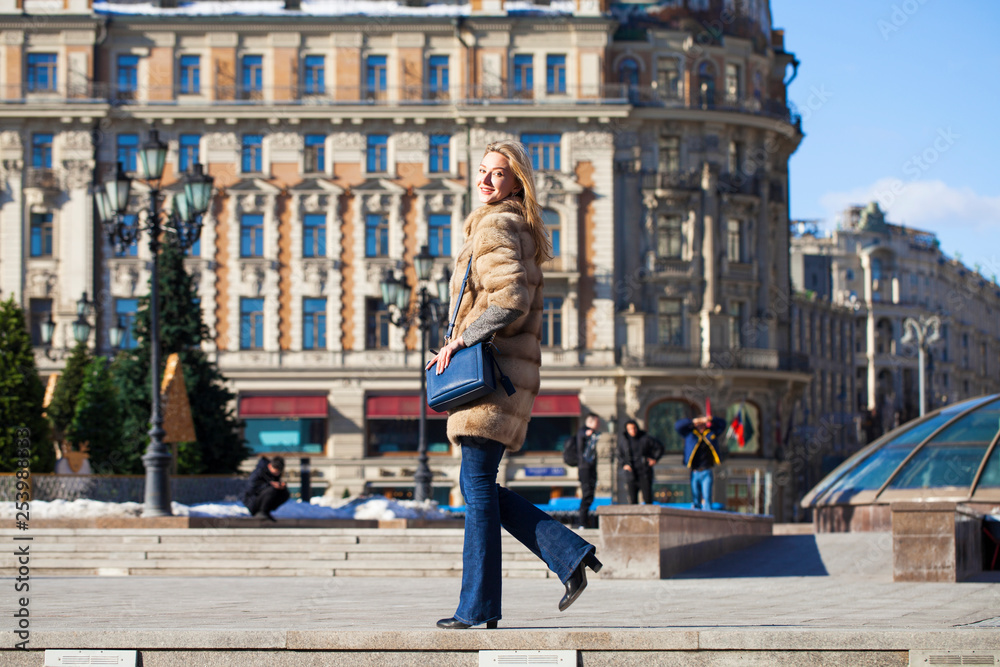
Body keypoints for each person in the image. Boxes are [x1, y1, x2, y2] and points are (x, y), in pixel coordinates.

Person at [427, 140, 602, 630]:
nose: (485, 181)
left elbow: (510, 300)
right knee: (478, 484)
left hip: (490, 375)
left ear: (516, 181)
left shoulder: (498, 225)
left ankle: (479, 606)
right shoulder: (510, 225)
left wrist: (459, 341)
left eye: (497, 174)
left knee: (477, 487)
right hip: (502, 376)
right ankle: (568, 556)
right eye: (482, 171)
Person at [675, 414, 727, 510]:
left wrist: (711, 419)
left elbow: (723, 424)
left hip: (706, 470)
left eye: (702, 424)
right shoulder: (690, 434)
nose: (701, 426)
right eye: (699, 424)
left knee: (707, 497)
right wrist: (693, 421)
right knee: (696, 498)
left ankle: (708, 516)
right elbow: (678, 426)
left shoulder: (711, 433)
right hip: (694, 471)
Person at [616, 419, 664, 504]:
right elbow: (619, 454)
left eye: (634, 428)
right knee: (633, 500)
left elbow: (660, 447)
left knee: (648, 498)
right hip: (631, 473)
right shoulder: (624, 441)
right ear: (627, 430)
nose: (633, 430)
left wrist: (654, 459)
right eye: (630, 429)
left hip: (644, 472)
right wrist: (624, 464)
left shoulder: (645, 438)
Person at [571, 414, 601, 529]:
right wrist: (588, 433)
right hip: (585, 469)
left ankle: (583, 521)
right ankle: (582, 522)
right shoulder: (583, 431)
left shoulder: (589, 433)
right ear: (590, 422)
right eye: (597, 423)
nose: (598, 425)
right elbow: (583, 435)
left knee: (590, 495)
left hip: (590, 468)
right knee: (587, 494)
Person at [242, 455, 289, 521]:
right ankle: (261, 512)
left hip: (263, 498)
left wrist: (280, 486)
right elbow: (251, 489)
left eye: (278, 472)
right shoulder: (259, 471)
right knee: (272, 490)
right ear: (270, 466)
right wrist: (269, 485)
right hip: (252, 501)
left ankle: (265, 512)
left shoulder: (275, 474)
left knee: (284, 493)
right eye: (275, 471)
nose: (276, 474)